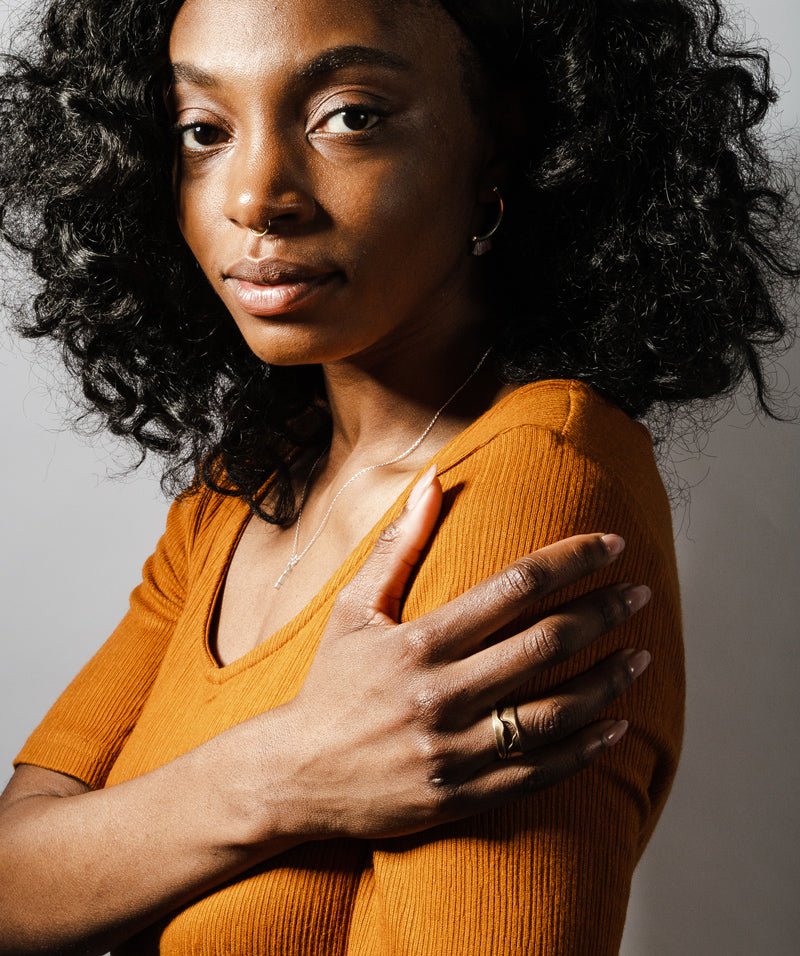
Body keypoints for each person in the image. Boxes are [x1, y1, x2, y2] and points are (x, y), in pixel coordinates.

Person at [0, 0, 795, 953]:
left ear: (499, 144)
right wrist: (285, 774)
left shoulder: (535, 486)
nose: (254, 197)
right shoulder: (245, 487)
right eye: (204, 131)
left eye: (350, 116)